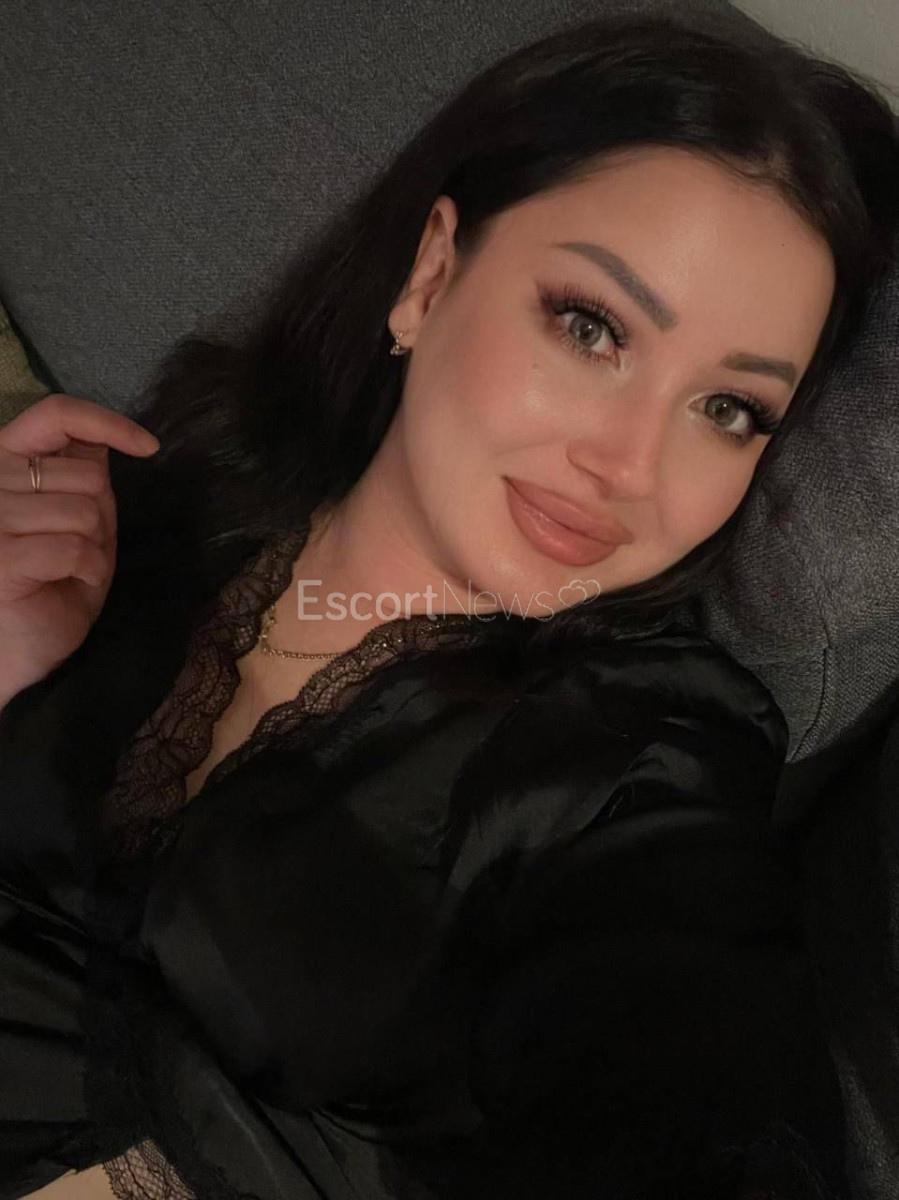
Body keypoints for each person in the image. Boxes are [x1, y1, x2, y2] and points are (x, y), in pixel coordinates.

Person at [0, 10, 897, 1200]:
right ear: (429, 275)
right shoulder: (135, 503)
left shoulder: (635, 769)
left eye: (727, 410)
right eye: (591, 328)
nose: (629, 465)